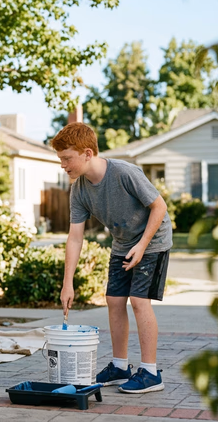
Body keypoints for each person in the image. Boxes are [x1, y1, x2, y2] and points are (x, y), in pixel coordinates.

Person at [51, 122, 172, 394]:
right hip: (122, 244)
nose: (63, 165)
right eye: (61, 159)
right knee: (114, 300)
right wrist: (67, 283)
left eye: (67, 158)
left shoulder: (124, 173)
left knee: (139, 301)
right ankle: (119, 366)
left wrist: (142, 246)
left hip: (152, 240)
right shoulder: (79, 189)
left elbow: (159, 206)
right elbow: (75, 237)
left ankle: (151, 373)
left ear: (87, 153)